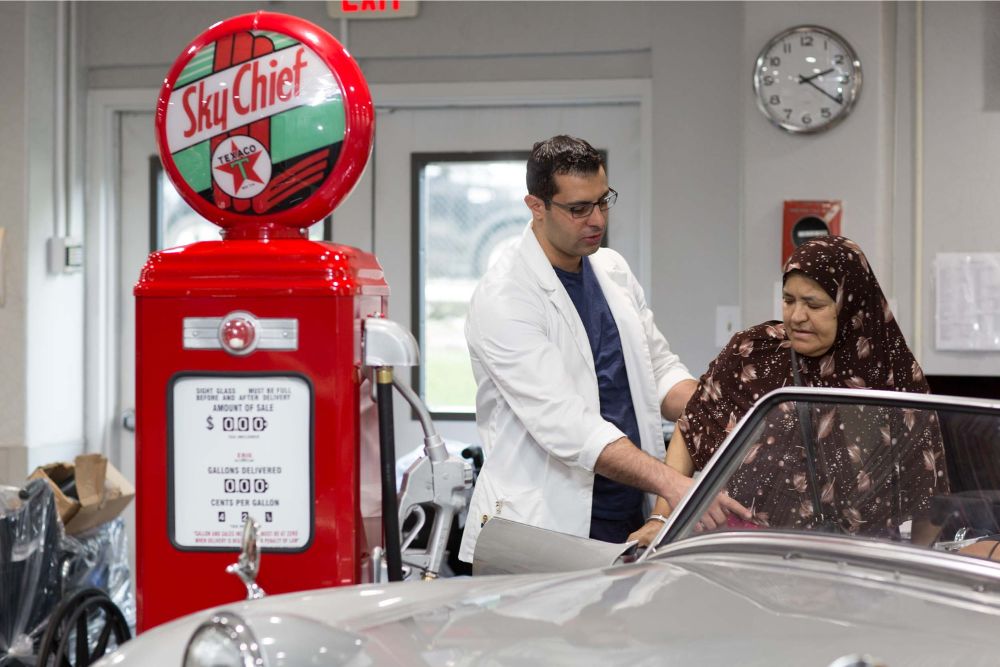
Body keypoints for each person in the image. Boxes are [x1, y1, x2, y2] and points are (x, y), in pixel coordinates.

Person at [458, 135, 749, 563]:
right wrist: (673, 483)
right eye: (579, 209)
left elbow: (659, 371)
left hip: (626, 516)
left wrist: (727, 408)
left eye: (603, 201)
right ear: (536, 206)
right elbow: (568, 426)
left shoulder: (611, 270)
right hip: (544, 527)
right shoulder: (505, 298)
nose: (597, 219)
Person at [630, 235, 949, 546]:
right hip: (744, 550)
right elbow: (691, 427)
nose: (797, 317)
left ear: (850, 303)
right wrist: (661, 520)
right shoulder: (754, 354)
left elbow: (929, 494)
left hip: (854, 564)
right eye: (789, 300)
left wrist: (907, 573)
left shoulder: (893, 376)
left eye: (814, 304)